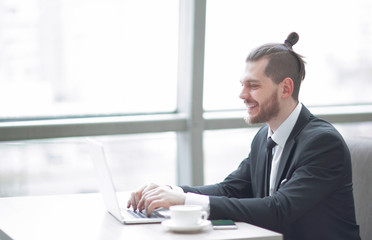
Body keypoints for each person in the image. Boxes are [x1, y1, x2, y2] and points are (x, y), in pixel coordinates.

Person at [127, 32, 361, 240]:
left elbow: (278, 210)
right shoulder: (263, 138)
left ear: (286, 88)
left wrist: (184, 201)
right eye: (242, 84)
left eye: (253, 85)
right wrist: (172, 192)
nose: (241, 94)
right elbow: (230, 189)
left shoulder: (322, 144)